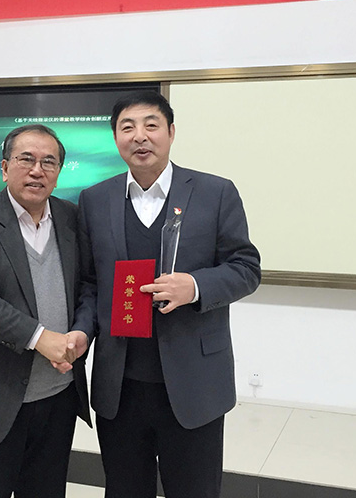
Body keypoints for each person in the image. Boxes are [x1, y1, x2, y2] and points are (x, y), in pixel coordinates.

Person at [73, 90, 261, 498]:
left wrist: (195, 286)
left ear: (171, 132)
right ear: (115, 137)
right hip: (120, 384)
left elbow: (246, 268)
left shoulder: (215, 192)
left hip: (194, 383)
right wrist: (82, 332)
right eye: (127, 127)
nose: (139, 136)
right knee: (124, 490)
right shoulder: (94, 200)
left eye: (151, 125)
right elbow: (89, 282)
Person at [0, 124, 91, 498]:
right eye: (26, 159)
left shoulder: (72, 218)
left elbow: (88, 287)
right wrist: (40, 338)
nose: (37, 170)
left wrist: (82, 331)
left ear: (58, 172)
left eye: (49, 162)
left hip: (58, 397)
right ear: (4, 167)